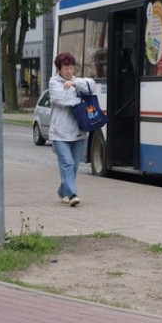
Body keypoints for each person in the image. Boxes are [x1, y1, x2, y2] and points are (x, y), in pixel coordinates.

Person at [48, 52, 96, 207]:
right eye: (65, 68)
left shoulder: (77, 81)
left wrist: (75, 84)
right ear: (59, 69)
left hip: (78, 131)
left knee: (74, 165)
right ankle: (73, 194)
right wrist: (80, 101)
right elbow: (60, 99)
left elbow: (91, 86)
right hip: (59, 133)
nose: (69, 71)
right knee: (67, 163)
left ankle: (63, 191)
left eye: (71, 68)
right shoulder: (54, 82)